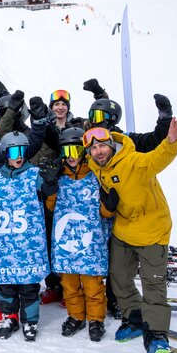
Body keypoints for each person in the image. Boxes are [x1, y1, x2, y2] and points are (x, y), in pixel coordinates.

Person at [84, 118, 177, 353]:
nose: (98, 152)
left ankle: (157, 335)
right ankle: (135, 318)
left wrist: (171, 142)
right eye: (93, 148)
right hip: (124, 229)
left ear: (111, 144)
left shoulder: (133, 161)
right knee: (119, 277)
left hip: (152, 230)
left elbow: (157, 159)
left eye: (102, 146)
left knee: (153, 284)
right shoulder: (97, 167)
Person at [0, 132, 54, 341]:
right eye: (13, 152)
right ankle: (9, 317)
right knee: (6, 284)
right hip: (4, 243)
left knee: (29, 285)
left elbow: (49, 196)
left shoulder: (34, 174)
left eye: (22, 151)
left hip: (29, 244)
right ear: (5, 153)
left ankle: (30, 321)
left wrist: (50, 182)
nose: (18, 156)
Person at [45, 128, 111, 342]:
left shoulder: (95, 176)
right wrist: (49, 187)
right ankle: (76, 316)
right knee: (70, 284)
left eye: (75, 150)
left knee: (93, 285)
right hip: (66, 243)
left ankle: (96, 319)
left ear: (84, 151)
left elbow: (105, 212)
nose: (71, 156)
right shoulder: (60, 178)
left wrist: (109, 205)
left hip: (91, 242)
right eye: (66, 152)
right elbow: (50, 207)